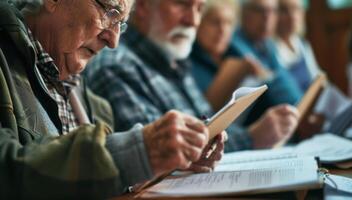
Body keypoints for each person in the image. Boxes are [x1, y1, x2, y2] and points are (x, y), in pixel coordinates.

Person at [0, 0, 222, 198]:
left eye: (122, 23)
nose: (113, 40)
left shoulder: (92, 102)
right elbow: (7, 171)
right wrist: (135, 152)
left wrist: (169, 160)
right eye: (110, 11)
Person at [85, 0, 300, 152]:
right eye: (182, 4)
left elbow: (208, 127)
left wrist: (254, 134)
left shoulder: (175, 61)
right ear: (142, 7)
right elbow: (161, 151)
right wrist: (251, 137)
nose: (193, 20)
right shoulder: (115, 66)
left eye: (199, 8)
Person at [229, 0, 303, 125]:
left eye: (273, 11)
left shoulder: (268, 43)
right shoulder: (235, 45)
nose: (267, 17)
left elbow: (284, 78)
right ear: (244, 13)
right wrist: (300, 114)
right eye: (259, 10)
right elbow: (272, 86)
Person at [274, 0, 320, 92]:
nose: (292, 16)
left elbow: (316, 78)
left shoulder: (302, 45)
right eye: (284, 10)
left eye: (295, 9)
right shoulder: (270, 50)